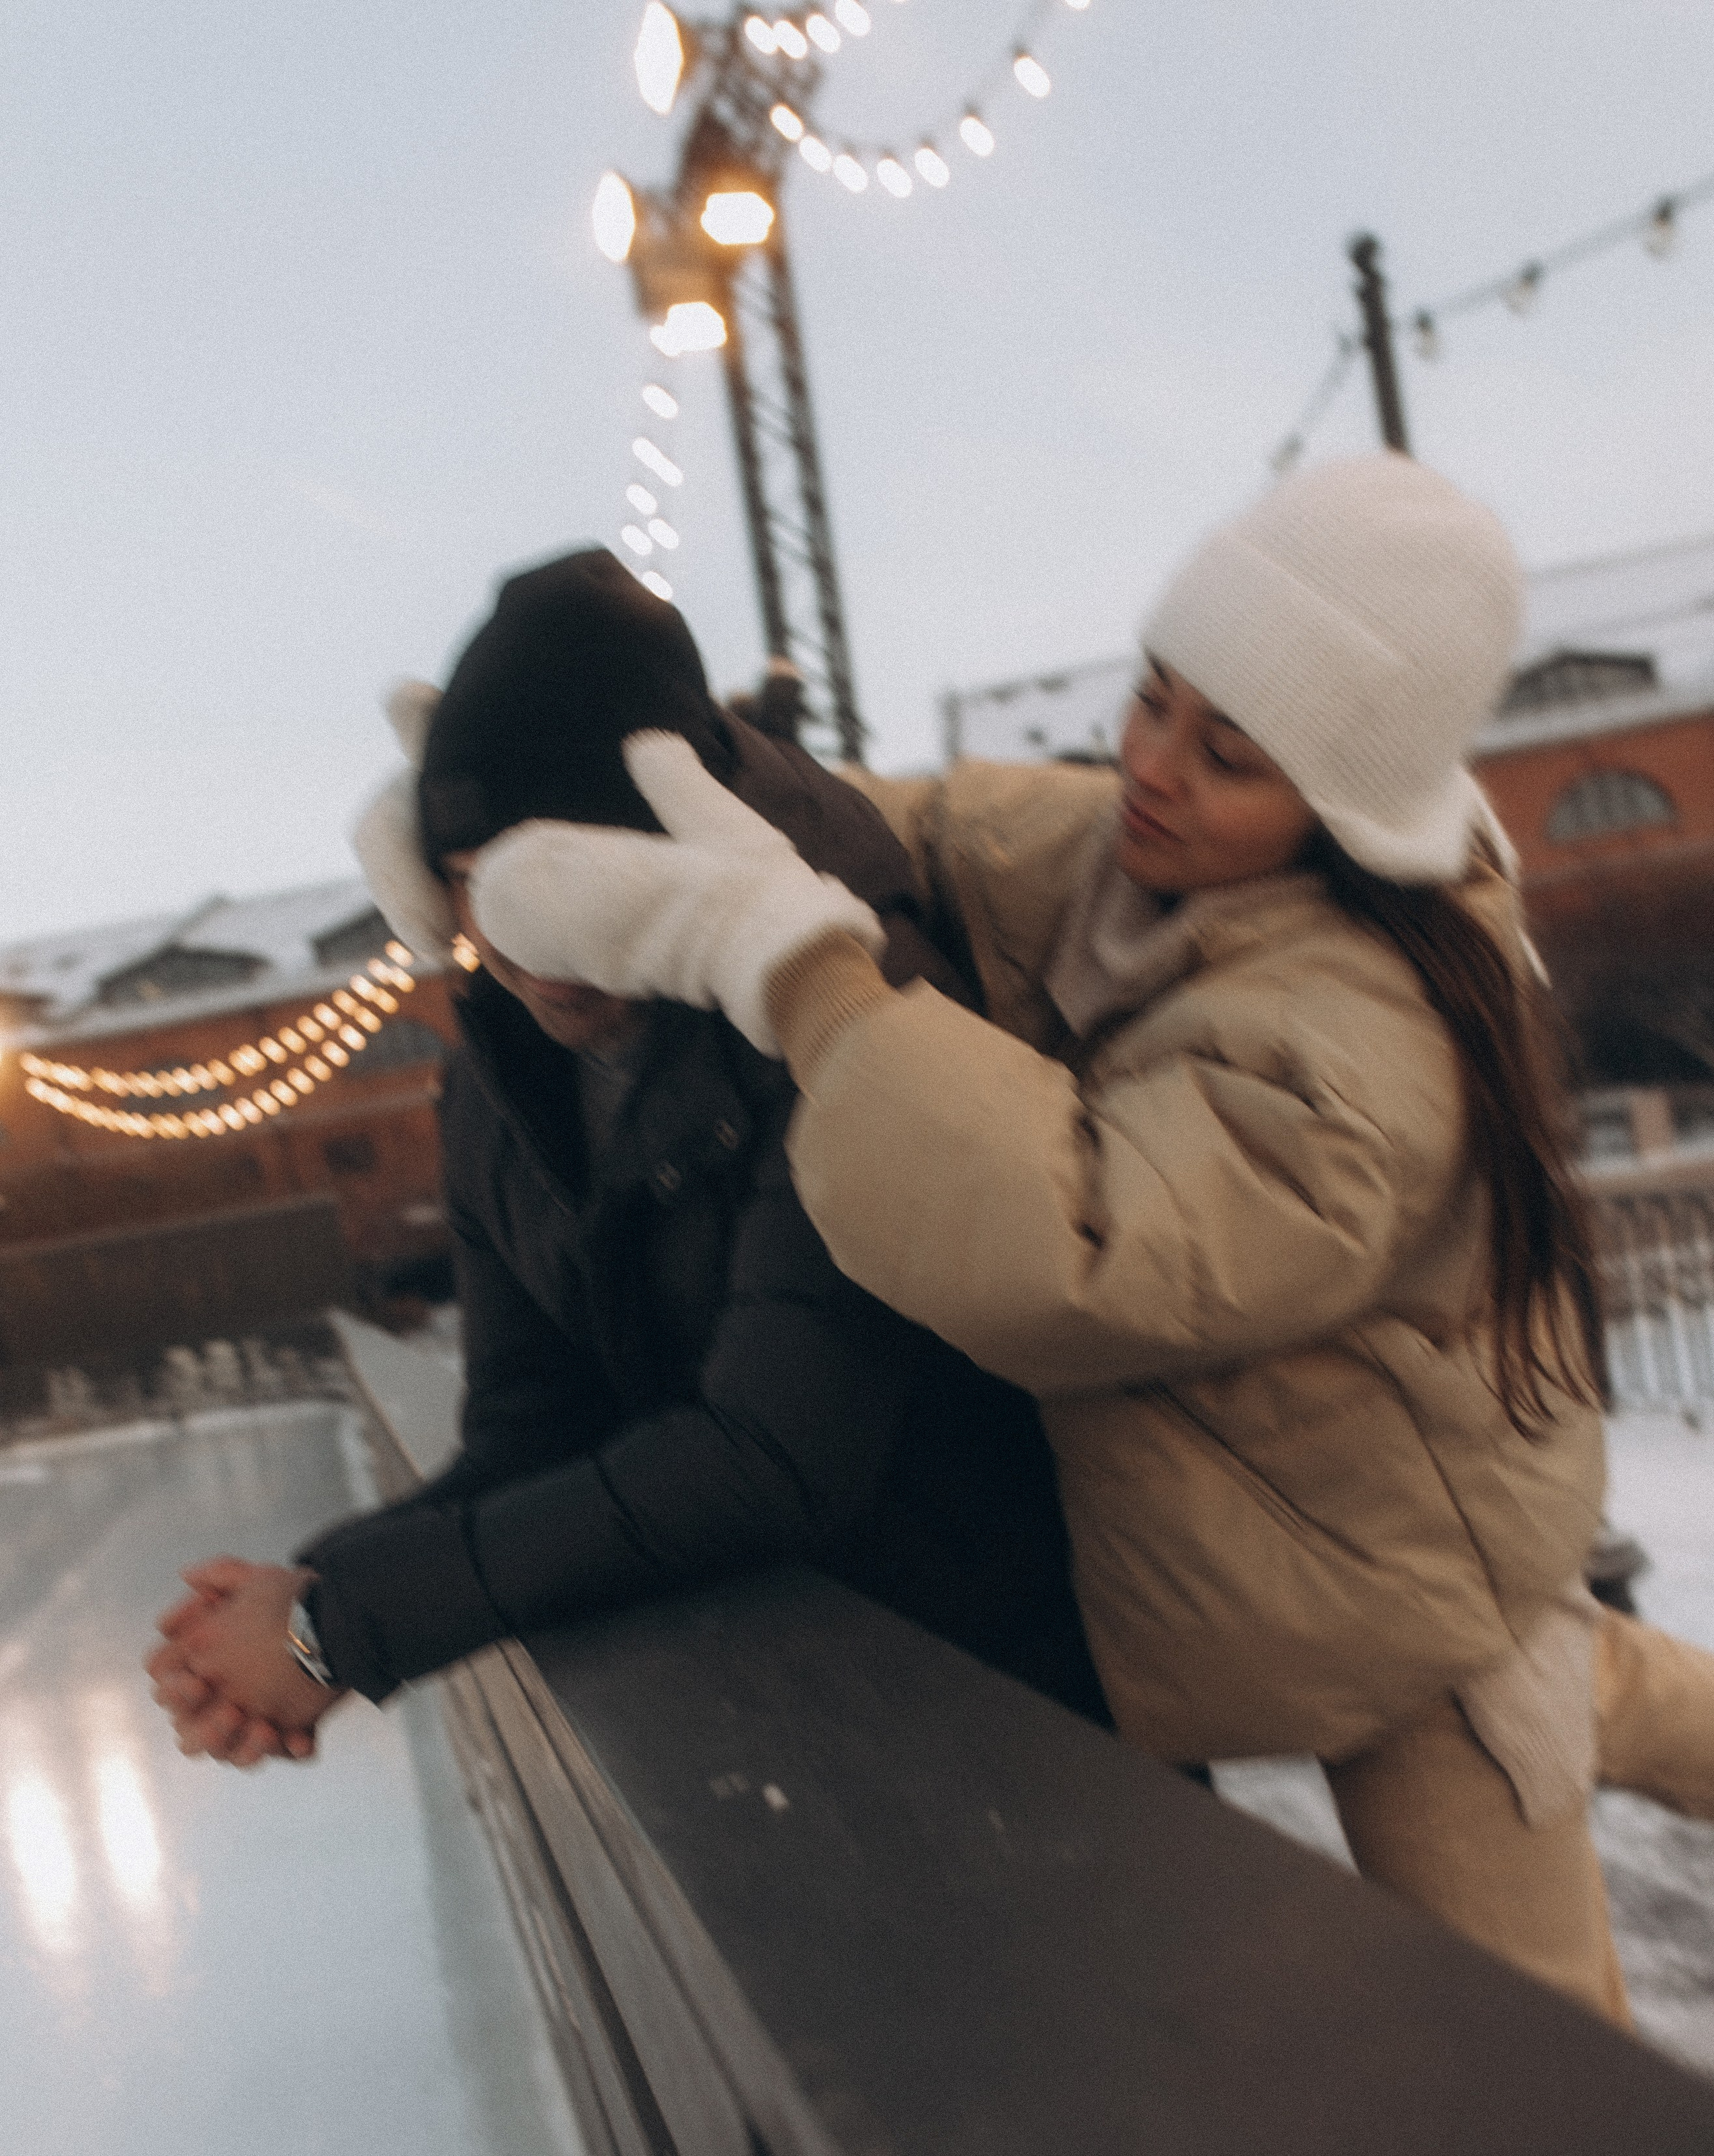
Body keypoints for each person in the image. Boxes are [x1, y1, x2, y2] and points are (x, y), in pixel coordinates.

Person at [462, 456, 1714, 2024]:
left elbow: (1073, 1244)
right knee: (1599, 1684)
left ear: (1334, 800)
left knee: (1529, 2069)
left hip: (1420, 1635)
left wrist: (787, 967)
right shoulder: (1123, 857)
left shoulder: (1357, 1043)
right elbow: (867, 831)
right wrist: (524, 827)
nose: (1152, 767)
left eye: (1230, 753)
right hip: (1317, 1547)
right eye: (1152, 698)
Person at [146, 550, 1107, 1767]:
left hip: (1008, 1711)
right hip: (765, 1722)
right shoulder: (497, 1076)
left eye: (562, 884)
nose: (519, 942)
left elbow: (774, 1456)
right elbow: (533, 1421)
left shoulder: (847, 1005)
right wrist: (319, 1601)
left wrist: (344, 1629)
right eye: (465, 886)